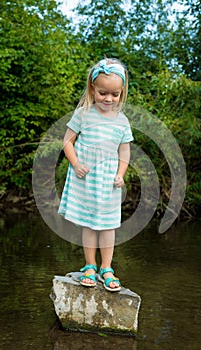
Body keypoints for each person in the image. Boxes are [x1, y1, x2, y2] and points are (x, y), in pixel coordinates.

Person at [58, 58, 133, 292]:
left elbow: (124, 152)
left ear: (121, 93)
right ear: (92, 89)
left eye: (114, 94)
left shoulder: (122, 121)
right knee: (89, 225)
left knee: (108, 226)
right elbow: (67, 142)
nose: (108, 99)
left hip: (108, 182)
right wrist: (76, 163)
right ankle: (90, 265)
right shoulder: (83, 114)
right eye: (103, 93)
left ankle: (107, 268)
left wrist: (121, 174)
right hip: (86, 179)